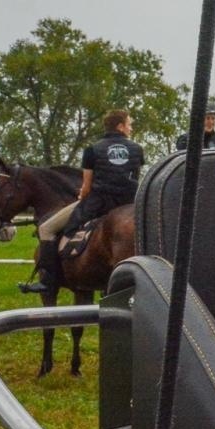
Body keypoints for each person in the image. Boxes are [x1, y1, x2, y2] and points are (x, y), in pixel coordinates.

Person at [23, 108, 145, 294]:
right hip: (128, 203)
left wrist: (81, 196)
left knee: (46, 229)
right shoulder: (137, 149)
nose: (131, 128)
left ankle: (48, 281)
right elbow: (134, 179)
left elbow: (87, 186)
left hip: (98, 203)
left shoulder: (92, 150)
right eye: (130, 124)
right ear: (120, 126)